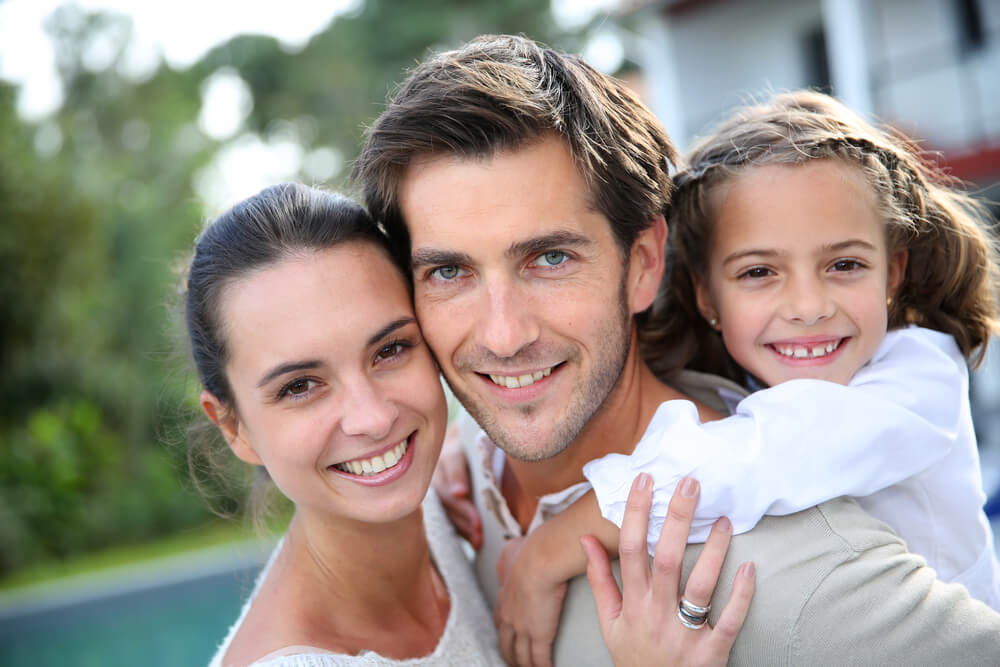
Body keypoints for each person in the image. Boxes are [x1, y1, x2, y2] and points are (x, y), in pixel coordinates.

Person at [352, 34, 1000, 666]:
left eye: (550, 258)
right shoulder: (469, 467)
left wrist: (551, 548)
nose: (502, 335)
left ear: (643, 263)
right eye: (449, 272)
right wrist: (448, 445)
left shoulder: (806, 578)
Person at [486, 90, 1000, 646]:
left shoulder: (919, 380)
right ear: (707, 296)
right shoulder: (743, 379)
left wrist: (549, 550)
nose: (808, 306)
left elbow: (755, 459)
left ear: (892, 274)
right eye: (759, 272)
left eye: (845, 264)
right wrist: (475, 451)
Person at [182, 183, 750, 666]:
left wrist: (460, 448)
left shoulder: (445, 498)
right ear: (234, 428)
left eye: (391, 350)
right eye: (300, 387)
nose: (374, 419)